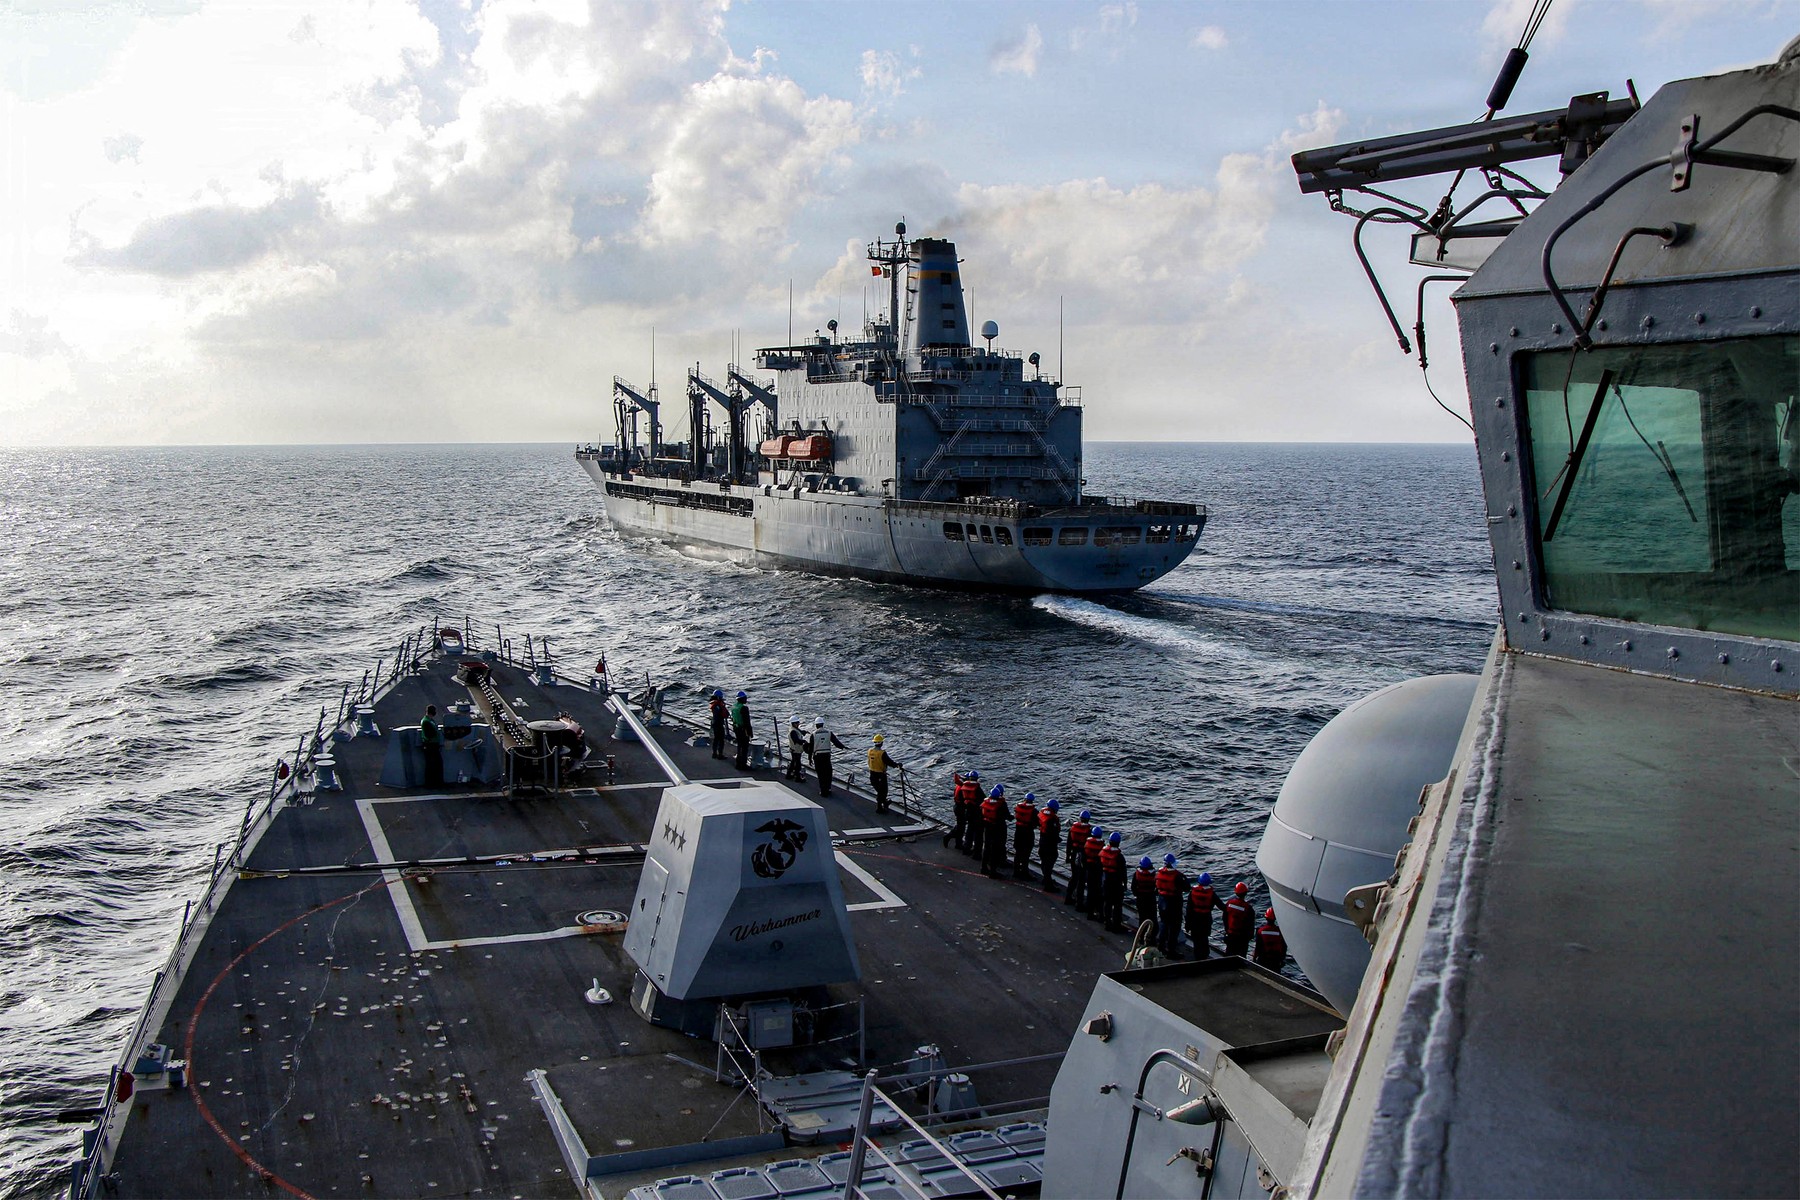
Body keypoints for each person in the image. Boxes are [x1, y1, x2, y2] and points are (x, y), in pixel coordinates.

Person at [1155, 854, 1187, 957]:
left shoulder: (1159, 874)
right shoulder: (1178, 876)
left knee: (1164, 924)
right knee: (1174, 927)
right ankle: (1171, 950)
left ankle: (1160, 946)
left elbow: (1156, 889)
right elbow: (1187, 888)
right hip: (1174, 904)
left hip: (1162, 903)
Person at [1099, 832, 1128, 932]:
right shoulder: (1119, 857)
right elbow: (1123, 872)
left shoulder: (1103, 853)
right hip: (1116, 883)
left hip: (1105, 880)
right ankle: (1116, 925)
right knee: (1117, 905)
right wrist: (1125, 883)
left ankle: (1107, 922)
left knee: (1107, 903)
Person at [810, 717, 847, 797]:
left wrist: (809, 758)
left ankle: (823, 791)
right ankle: (828, 788)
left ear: (816, 725)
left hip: (817, 756)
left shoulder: (813, 734)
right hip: (826, 756)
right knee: (828, 772)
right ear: (823, 724)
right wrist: (843, 747)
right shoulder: (829, 732)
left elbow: (811, 748)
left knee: (821, 774)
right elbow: (836, 742)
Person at [1064, 809, 1093, 909]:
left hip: (1074, 855)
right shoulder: (1089, 831)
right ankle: (1079, 903)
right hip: (1083, 856)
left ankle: (1068, 897)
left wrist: (1067, 856)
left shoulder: (1073, 828)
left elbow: (1068, 844)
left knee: (1073, 877)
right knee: (1081, 880)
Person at [867, 735, 903, 813]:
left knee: (879, 791)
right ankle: (879, 808)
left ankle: (884, 802)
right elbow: (889, 762)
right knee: (883, 791)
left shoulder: (870, 751)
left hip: (872, 774)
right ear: (881, 743)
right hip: (880, 775)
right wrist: (897, 765)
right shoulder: (882, 753)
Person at [1186, 872, 1217, 960]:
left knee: (1196, 940)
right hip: (1206, 919)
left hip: (1195, 920)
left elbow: (1188, 910)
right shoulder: (1212, 894)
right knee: (1204, 939)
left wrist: (1187, 925)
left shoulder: (1192, 893)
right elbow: (1221, 905)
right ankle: (1205, 956)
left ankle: (1197, 957)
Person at [946, 770, 980, 850]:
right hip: (960, 808)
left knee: (961, 826)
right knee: (961, 827)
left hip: (957, 807)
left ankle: (958, 843)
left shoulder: (959, 785)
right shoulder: (963, 788)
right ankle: (951, 838)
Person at [980, 784, 1009, 877]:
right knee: (995, 850)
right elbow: (1006, 815)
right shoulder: (1001, 804)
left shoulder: (986, 802)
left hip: (987, 827)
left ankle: (983, 867)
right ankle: (993, 871)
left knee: (987, 848)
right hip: (997, 828)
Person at [1222, 881, 1256, 959]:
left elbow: (1224, 918)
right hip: (1242, 938)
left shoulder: (1229, 903)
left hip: (1230, 934)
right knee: (1241, 957)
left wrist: (1227, 930)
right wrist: (1249, 937)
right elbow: (1250, 925)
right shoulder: (1248, 908)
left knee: (1229, 954)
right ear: (1245, 893)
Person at [1011, 792, 1039, 880]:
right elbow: (1037, 823)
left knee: (1018, 853)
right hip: (1028, 834)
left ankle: (1015, 871)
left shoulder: (1018, 808)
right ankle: (1024, 872)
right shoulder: (1034, 811)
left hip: (1018, 832)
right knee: (1026, 854)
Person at [1131, 856, 1159, 942]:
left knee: (1142, 918)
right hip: (1150, 898)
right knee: (1152, 918)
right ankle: (1152, 938)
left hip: (1141, 898)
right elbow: (1157, 887)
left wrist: (1138, 894)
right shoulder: (1154, 874)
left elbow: (1133, 887)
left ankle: (1141, 937)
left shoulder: (1136, 874)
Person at [1082, 825, 1107, 920]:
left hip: (1089, 869)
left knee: (1090, 891)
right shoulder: (1102, 846)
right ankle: (1100, 913)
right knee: (1099, 893)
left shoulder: (1087, 844)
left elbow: (1083, 858)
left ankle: (1090, 912)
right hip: (1099, 871)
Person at [1036, 799, 1061, 892]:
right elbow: (1053, 832)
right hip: (1050, 844)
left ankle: (1046, 879)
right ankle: (1048, 885)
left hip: (1042, 841)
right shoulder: (1053, 819)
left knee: (1044, 861)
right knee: (1050, 862)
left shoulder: (1042, 814)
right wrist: (1057, 839)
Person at [1253, 908, 1288, 972]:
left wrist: (1254, 958)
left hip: (1263, 959)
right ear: (1275, 918)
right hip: (1275, 960)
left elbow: (1258, 947)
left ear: (1266, 918)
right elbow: (1284, 947)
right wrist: (1282, 959)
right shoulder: (1280, 931)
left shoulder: (1261, 931)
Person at [419, 704, 443, 786]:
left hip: (433, 745)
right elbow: (429, 734)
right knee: (431, 765)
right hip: (430, 745)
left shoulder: (430, 720)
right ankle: (430, 783)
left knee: (436, 764)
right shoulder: (426, 721)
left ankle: (435, 782)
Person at [730, 691, 752, 770]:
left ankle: (738, 763)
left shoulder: (734, 707)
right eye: (745, 698)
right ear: (742, 699)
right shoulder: (744, 708)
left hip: (736, 728)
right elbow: (747, 722)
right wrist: (750, 732)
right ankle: (743, 764)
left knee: (739, 746)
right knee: (745, 747)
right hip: (743, 730)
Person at [708, 689, 728, 760]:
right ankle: (720, 754)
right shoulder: (718, 705)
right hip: (718, 724)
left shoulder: (714, 704)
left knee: (716, 739)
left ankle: (714, 753)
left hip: (714, 723)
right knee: (721, 740)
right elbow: (725, 714)